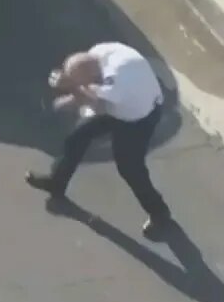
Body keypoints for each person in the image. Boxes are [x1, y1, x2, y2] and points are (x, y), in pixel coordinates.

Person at [26, 42, 173, 238]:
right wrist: (73, 88)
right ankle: (57, 183)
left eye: (83, 83)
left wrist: (71, 92)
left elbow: (96, 105)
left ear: (94, 78)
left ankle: (159, 213)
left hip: (137, 118)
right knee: (77, 138)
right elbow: (89, 95)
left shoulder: (115, 84)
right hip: (123, 102)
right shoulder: (100, 52)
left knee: (130, 169)